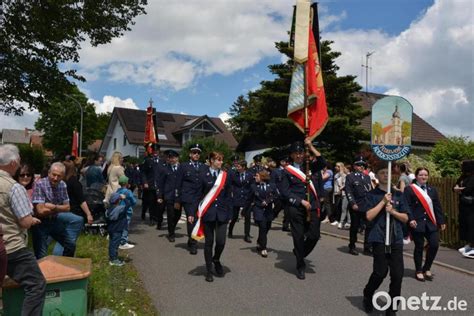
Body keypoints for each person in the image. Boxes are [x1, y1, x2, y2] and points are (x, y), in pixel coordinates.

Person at [0, 144, 46, 314]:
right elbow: (25, 222)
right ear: (13, 163)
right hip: (12, 246)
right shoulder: (14, 187)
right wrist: (32, 219)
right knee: (36, 284)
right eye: (18, 161)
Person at [362, 163, 409, 315]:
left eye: (388, 172)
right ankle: (368, 294)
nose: (385, 175)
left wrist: (393, 212)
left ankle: (392, 308)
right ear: (377, 176)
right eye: (382, 172)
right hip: (379, 237)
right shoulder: (371, 195)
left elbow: (406, 217)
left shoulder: (399, 195)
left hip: (395, 238)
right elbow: (368, 216)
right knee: (380, 272)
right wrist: (383, 202)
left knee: (397, 275)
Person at [280, 138, 326, 280]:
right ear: (292, 155)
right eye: (296, 153)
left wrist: (310, 146)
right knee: (298, 236)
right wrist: (300, 201)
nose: (299, 155)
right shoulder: (287, 171)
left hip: (312, 206)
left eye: (301, 152)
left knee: (314, 235)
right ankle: (300, 265)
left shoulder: (310, 166)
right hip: (296, 208)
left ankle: (300, 252)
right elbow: (285, 192)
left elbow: (323, 162)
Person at [403, 167, 446, 281]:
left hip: (431, 223)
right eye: (421, 175)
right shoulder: (409, 189)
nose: (423, 177)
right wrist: (410, 219)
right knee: (419, 247)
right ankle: (418, 270)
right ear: (416, 176)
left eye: (426, 175)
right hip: (417, 222)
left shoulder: (432, 190)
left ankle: (427, 267)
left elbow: (437, 206)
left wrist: (441, 221)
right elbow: (407, 206)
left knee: (434, 244)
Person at [196, 151, 232, 282]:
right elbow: (198, 195)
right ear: (211, 160)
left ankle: (216, 259)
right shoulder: (202, 175)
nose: (221, 162)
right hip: (208, 213)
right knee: (209, 243)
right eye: (218, 160)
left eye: (221, 160)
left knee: (221, 241)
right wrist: (194, 213)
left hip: (222, 213)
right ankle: (209, 270)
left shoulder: (225, 176)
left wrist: (230, 213)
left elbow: (228, 196)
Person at [31, 162, 74, 259]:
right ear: (49, 173)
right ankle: (41, 273)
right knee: (41, 254)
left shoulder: (62, 185)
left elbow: (67, 207)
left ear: (62, 176)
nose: (55, 178)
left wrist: (53, 207)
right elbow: (40, 211)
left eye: (59, 176)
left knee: (70, 245)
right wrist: (59, 208)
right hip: (40, 223)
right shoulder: (40, 184)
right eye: (54, 175)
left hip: (54, 220)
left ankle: (65, 267)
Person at [51, 160, 93, 256]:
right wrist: (88, 214)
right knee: (69, 240)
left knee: (61, 238)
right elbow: (81, 200)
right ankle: (65, 261)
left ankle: (57, 259)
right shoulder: (74, 182)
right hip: (74, 213)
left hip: (60, 212)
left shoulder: (59, 182)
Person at [175, 143, 207, 255]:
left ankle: (191, 239)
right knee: (191, 220)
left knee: (198, 220)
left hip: (200, 199)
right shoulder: (183, 166)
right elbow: (178, 184)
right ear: (190, 154)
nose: (196, 154)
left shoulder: (204, 167)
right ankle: (193, 244)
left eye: (198, 153)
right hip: (188, 198)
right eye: (194, 152)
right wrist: (177, 200)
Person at [345, 156, 373, 256]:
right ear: (354, 166)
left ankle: (367, 247)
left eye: (363, 165)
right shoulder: (350, 176)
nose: (361, 167)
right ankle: (352, 245)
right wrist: (352, 203)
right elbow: (348, 191)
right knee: (355, 227)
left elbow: (370, 191)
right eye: (359, 165)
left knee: (369, 226)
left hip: (367, 206)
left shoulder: (367, 177)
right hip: (356, 206)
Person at [251, 170, 279, 257]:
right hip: (258, 209)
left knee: (267, 227)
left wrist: (268, 201)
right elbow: (249, 198)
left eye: (257, 176)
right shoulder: (253, 186)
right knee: (262, 227)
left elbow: (276, 195)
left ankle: (260, 241)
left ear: (262, 177)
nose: (255, 177)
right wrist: (245, 210)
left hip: (268, 210)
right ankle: (263, 248)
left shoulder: (272, 185)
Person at [140, 144, 166, 228]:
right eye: (154, 151)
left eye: (157, 151)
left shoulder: (163, 161)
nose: (155, 152)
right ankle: (151, 218)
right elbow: (143, 172)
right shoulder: (148, 160)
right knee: (151, 203)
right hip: (150, 186)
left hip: (160, 186)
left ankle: (158, 218)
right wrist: (145, 182)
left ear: (159, 151)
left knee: (159, 204)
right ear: (152, 151)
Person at [228, 160, 253, 241]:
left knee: (247, 217)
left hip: (246, 198)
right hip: (236, 197)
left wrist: (252, 197)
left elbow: (252, 186)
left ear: (244, 167)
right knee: (234, 217)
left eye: (238, 166)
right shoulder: (233, 174)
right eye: (236, 166)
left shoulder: (250, 175)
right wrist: (231, 192)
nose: (237, 168)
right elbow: (230, 184)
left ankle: (247, 235)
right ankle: (230, 230)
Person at [454, 159, 474, 258]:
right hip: (463, 205)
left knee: (471, 225)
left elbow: (469, 189)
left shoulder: (473, 177)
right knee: (465, 224)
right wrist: (457, 188)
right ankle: (469, 244)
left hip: (471, 205)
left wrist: (460, 190)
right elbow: (455, 185)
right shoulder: (463, 176)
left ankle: (472, 246)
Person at [162, 150, 181, 242]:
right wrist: (160, 196)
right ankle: (171, 234)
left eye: (174, 157)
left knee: (178, 215)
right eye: (170, 158)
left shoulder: (181, 168)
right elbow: (161, 182)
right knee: (171, 215)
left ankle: (172, 227)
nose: (172, 159)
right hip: (169, 195)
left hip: (179, 196)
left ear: (177, 158)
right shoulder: (165, 169)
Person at [106, 192, 130, 266]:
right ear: (118, 200)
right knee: (115, 245)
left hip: (111, 229)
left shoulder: (109, 209)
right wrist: (124, 198)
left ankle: (112, 257)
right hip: (117, 229)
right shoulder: (120, 209)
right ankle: (114, 260)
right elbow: (128, 205)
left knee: (112, 244)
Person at [116, 175, 137, 250]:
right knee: (125, 227)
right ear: (126, 183)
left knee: (120, 226)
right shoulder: (128, 192)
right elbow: (134, 201)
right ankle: (123, 242)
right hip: (126, 211)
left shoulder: (118, 190)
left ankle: (119, 240)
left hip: (118, 210)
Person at [271, 155, 291, 231]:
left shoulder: (289, 171)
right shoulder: (275, 171)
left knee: (288, 211)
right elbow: (272, 183)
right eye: (286, 162)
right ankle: (268, 220)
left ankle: (285, 225)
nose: (287, 163)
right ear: (281, 162)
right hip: (278, 194)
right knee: (277, 209)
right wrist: (276, 192)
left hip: (287, 194)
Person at [333, 162, 351, 230]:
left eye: (337, 166)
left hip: (345, 193)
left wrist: (342, 187)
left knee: (344, 208)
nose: (336, 167)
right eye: (335, 166)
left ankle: (341, 222)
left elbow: (346, 184)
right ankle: (348, 222)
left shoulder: (345, 175)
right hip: (339, 193)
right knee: (345, 208)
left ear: (341, 167)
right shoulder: (337, 175)